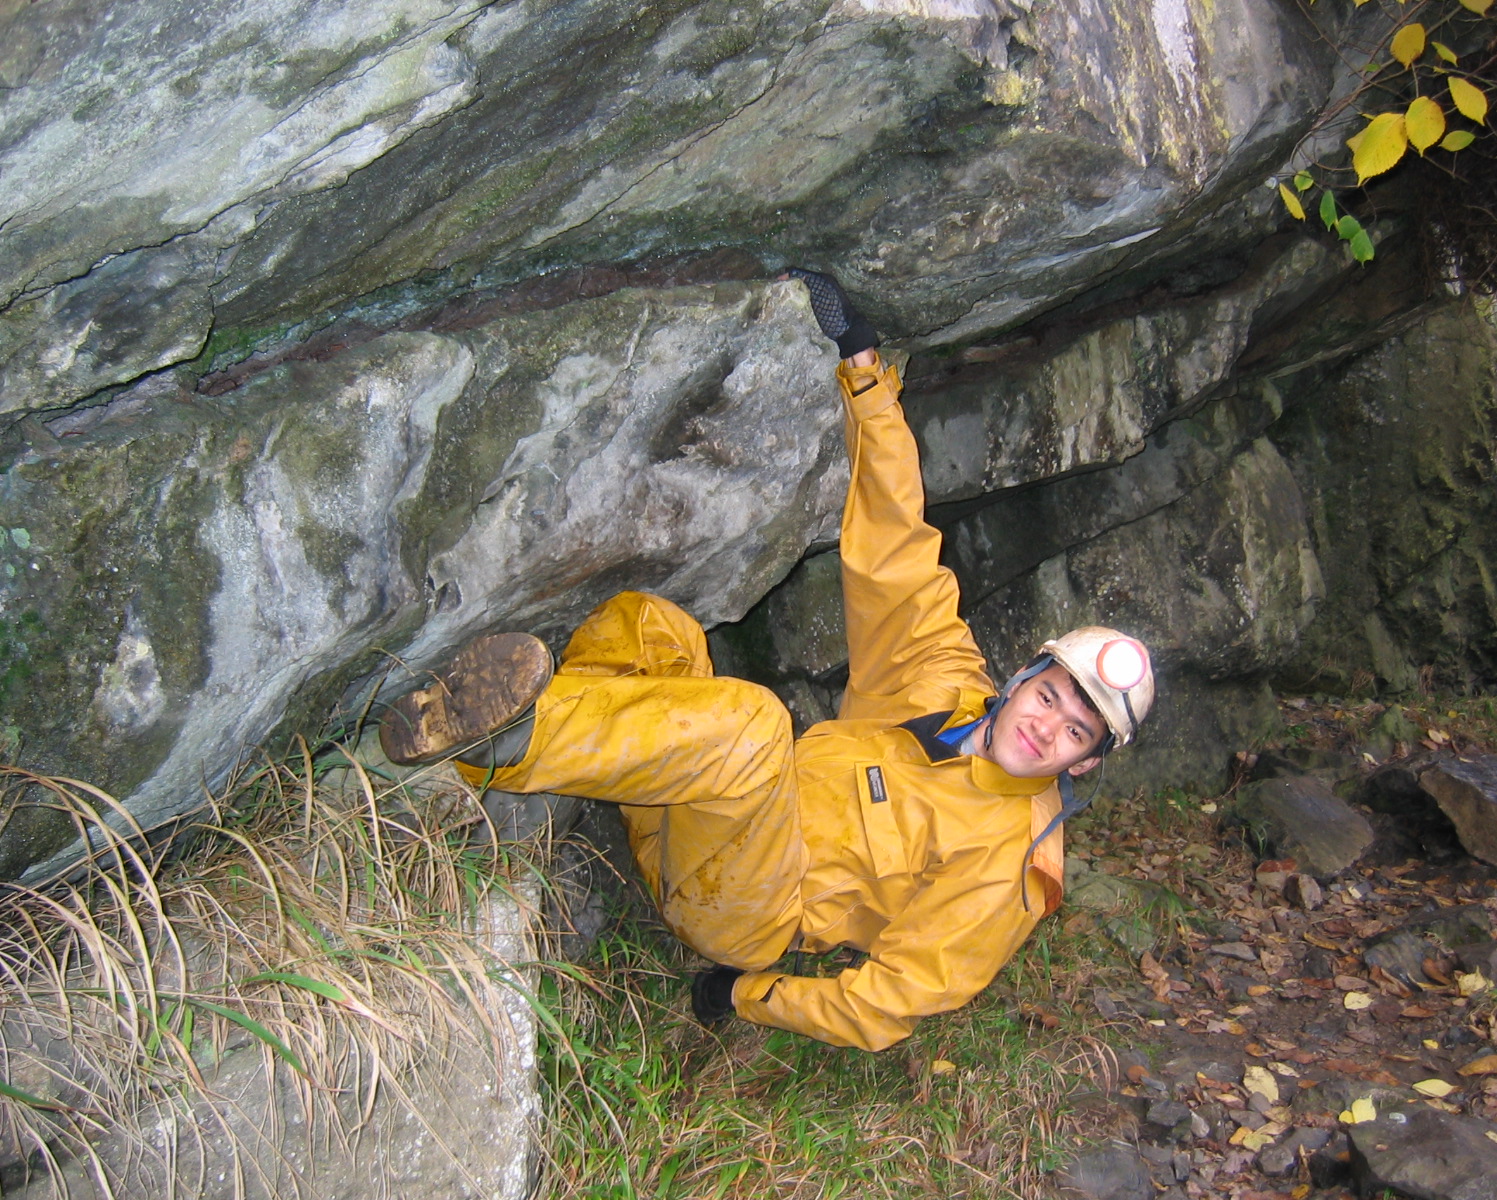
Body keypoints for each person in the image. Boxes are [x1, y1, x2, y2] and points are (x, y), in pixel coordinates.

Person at [380, 271, 1155, 1051]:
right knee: (650, 626)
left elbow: (888, 1005)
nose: (1049, 727)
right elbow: (897, 541)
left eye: (1077, 732)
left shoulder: (1010, 863)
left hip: (739, 907)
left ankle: (503, 743)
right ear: (1024, 677)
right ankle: (569, 747)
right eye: (1053, 698)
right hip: (683, 812)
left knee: (753, 727)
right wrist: (862, 368)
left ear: (1085, 763)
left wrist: (745, 993)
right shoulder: (943, 681)